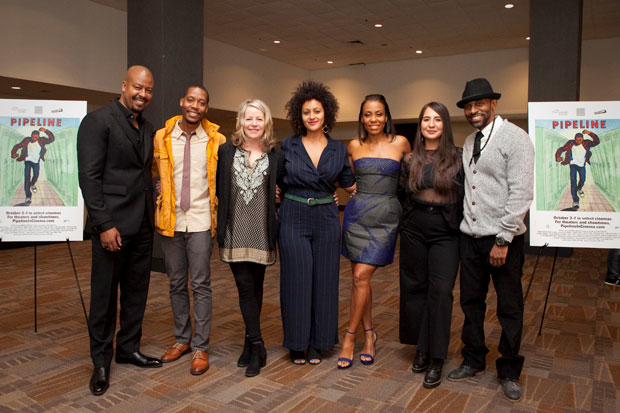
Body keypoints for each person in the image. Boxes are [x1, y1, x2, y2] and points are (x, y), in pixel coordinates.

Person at [446, 78, 534, 402]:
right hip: (470, 238)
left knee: (509, 307)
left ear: (493, 104)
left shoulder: (516, 139)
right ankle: (473, 358)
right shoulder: (469, 142)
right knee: (471, 303)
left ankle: (509, 369)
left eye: (479, 104)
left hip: (502, 240)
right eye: (469, 106)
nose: (473, 110)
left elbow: (522, 192)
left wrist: (503, 238)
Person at [77, 65, 161, 396]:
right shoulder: (98, 121)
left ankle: (128, 349)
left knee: (136, 292)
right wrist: (104, 225)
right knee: (104, 297)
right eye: (138, 87)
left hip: (142, 225)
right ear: (124, 85)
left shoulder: (148, 127)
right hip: (111, 228)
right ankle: (100, 361)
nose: (143, 94)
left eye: (149, 90)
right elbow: (90, 178)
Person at [279, 80, 356, 365]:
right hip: (293, 216)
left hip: (326, 218)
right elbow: (274, 180)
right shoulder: (288, 146)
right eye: (306, 112)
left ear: (327, 114)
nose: (312, 116)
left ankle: (319, 343)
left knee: (324, 281)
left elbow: (350, 184)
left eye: (317, 111)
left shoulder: (338, 149)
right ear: (299, 117)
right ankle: (297, 344)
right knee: (297, 280)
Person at [152, 85, 226, 375]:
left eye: (202, 102)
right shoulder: (162, 136)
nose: (195, 105)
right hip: (171, 221)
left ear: (207, 108)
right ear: (182, 101)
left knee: (200, 284)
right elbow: (154, 172)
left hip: (200, 221)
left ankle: (200, 347)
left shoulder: (217, 139)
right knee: (175, 283)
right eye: (191, 100)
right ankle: (181, 339)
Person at [338, 94, 410, 369]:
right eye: (368, 114)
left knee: (360, 276)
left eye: (379, 114)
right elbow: (346, 178)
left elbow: (417, 174)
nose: (373, 120)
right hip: (357, 216)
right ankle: (369, 336)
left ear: (387, 116)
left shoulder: (401, 143)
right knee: (360, 281)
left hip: (386, 217)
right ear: (361, 118)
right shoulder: (354, 145)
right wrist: (342, 191)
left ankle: (349, 336)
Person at [216, 99, 284, 377]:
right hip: (235, 230)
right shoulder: (225, 152)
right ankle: (258, 345)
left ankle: (248, 342)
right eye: (249, 118)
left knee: (256, 289)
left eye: (259, 119)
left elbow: (285, 187)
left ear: (266, 123)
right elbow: (217, 187)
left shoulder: (276, 155)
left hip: (261, 231)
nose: (253, 124)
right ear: (240, 122)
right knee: (245, 288)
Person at [398, 102, 463, 388]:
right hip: (414, 229)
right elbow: (402, 194)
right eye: (426, 119)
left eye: (437, 119)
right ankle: (421, 348)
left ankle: (437, 356)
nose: (431, 124)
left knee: (440, 291)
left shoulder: (458, 157)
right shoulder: (410, 158)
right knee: (416, 288)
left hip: (445, 232)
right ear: (420, 125)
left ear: (445, 124)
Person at [555, 130, 600, 210]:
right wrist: (558, 156)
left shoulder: (586, 143)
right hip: (573, 164)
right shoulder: (570, 143)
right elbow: (562, 149)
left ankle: (579, 188)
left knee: (583, 179)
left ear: (582, 139)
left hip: (582, 165)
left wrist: (590, 133)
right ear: (574, 139)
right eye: (576, 139)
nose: (578, 141)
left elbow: (597, 142)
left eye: (580, 140)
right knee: (573, 181)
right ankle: (575, 201)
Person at [11, 127, 55, 205]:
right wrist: (13, 153)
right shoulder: (27, 140)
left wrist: (45, 131)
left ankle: (32, 184)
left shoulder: (42, 140)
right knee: (27, 178)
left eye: (36, 137)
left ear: (38, 137)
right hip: (27, 161)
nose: (34, 139)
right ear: (31, 136)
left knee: (36, 175)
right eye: (33, 137)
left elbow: (52, 139)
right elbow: (18, 145)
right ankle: (28, 196)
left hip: (36, 162)